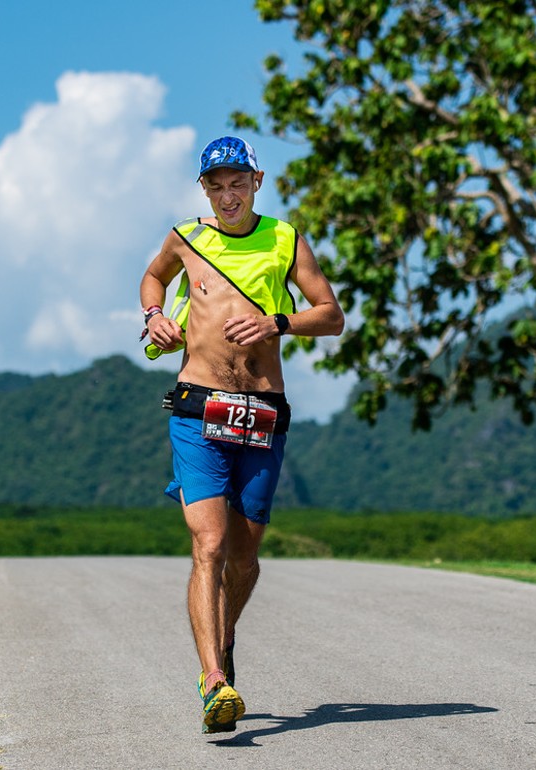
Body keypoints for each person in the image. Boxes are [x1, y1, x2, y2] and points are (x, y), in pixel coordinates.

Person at [138, 136, 345, 733]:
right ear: (204, 188)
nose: (227, 195)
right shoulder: (187, 238)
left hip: (262, 410)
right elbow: (153, 279)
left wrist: (276, 322)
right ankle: (214, 682)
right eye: (216, 185)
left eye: (237, 183)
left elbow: (330, 315)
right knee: (209, 545)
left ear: (257, 180)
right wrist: (154, 316)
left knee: (244, 557)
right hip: (198, 408)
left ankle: (223, 639)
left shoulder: (285, 239)